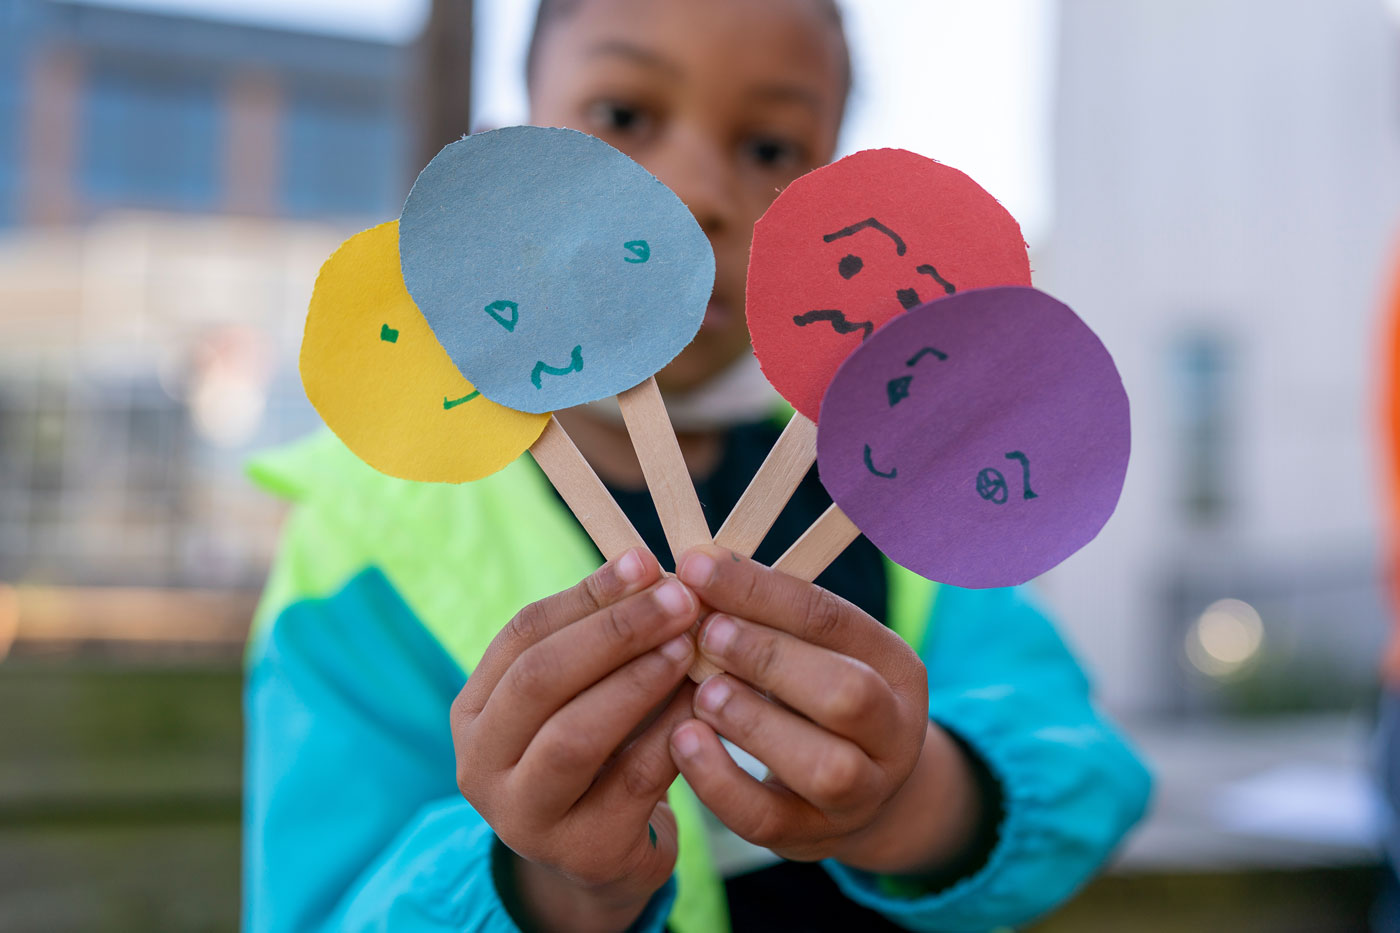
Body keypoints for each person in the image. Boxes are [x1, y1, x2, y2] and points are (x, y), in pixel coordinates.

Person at [242, 1, 1152, 930]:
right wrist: (553, 885)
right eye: (624, 117)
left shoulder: (909, 472)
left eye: (769, 148)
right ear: (505, 144)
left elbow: (1087, 769)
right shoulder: (367, 540)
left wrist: (916, 799)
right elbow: (318, 901)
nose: (698, 193)